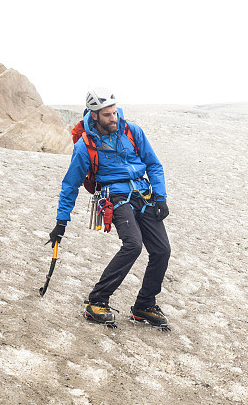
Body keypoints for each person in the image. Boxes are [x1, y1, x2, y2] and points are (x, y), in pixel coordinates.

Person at [48, 87, 171, 327]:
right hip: (115, 197)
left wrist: (161, 197)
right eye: (107, 115)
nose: (113, 118)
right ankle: (96, 301)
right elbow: (70, 184)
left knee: (162, 250)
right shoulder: (85, 146)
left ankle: (144, 305)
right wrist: (61, 221)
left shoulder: (132, 131)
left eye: (114, 113)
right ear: (94, 115)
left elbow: (154, 165)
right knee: (133, 245)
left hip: (144, 195)